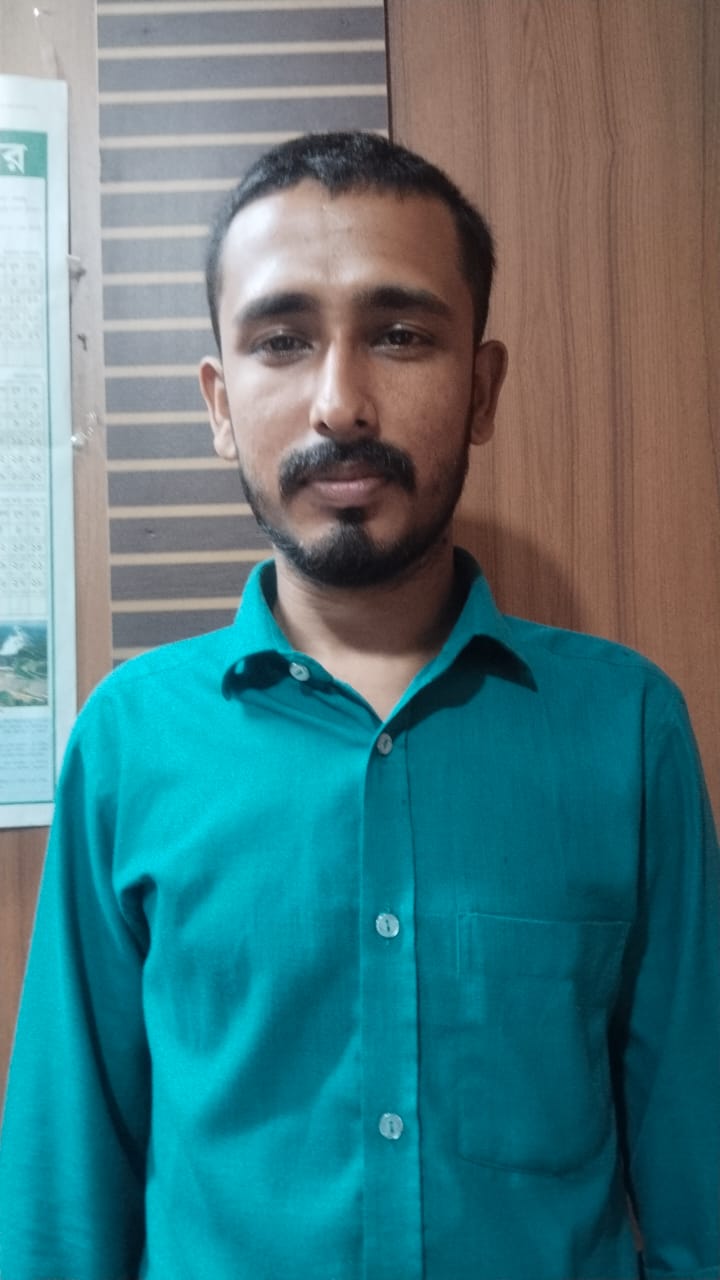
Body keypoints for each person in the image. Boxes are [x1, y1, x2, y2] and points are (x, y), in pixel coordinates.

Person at [0, 131, 718, 1280]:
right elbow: (60, 1196)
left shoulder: (628, 730)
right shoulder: (128, 740)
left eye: (400, 334)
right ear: (220, 401)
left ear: (480, 388)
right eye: (282, 340)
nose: (341, 403)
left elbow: (700, 1177)